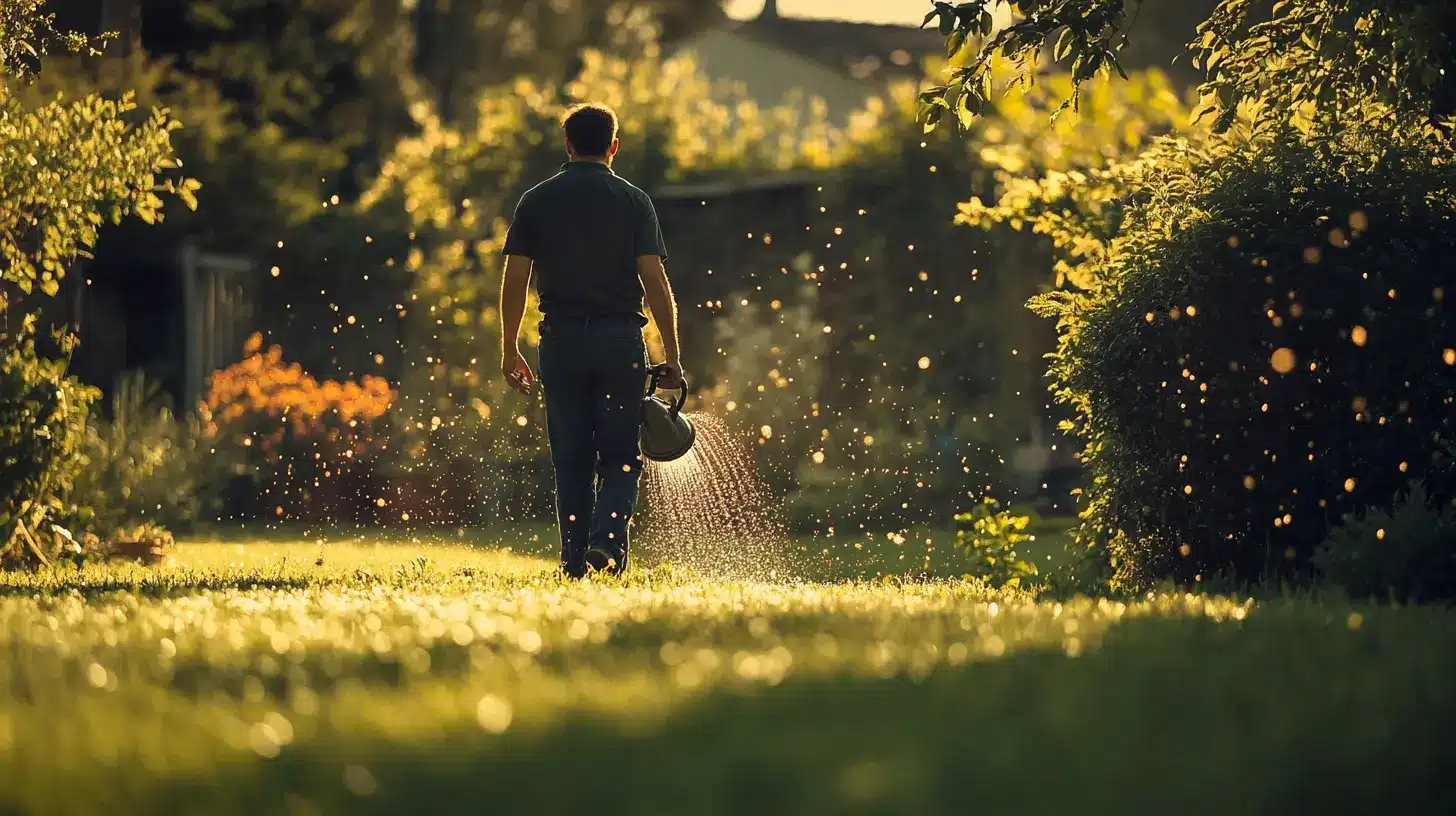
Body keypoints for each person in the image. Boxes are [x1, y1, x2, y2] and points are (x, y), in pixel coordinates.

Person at [498, 102, 684, 579]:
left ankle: (575, 563)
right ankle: (606, 546)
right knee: (622, 456)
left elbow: (515, 279)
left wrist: (508, 349)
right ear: (613, 147)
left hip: (559, 344)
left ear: (568, 145)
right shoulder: (633, 200)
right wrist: (673, 358)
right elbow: (655, 283)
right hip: (619, 342)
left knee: (572, 458)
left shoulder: (536, 200)